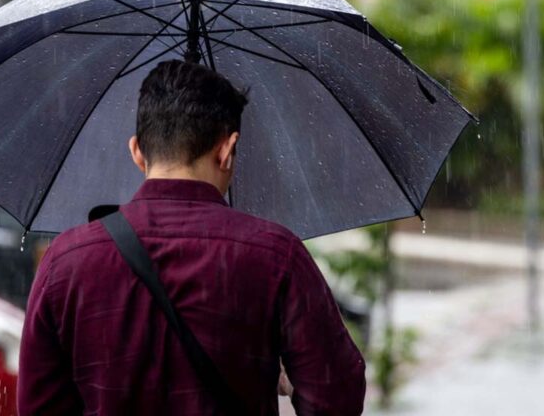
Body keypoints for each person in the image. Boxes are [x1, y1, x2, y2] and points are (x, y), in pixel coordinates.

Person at [18, 60, 366, 415]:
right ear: (227, 150)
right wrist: (288, 381)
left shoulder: (66, 261)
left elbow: (38, 406)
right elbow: (337, 399)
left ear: (137, 151)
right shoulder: (277, 256)